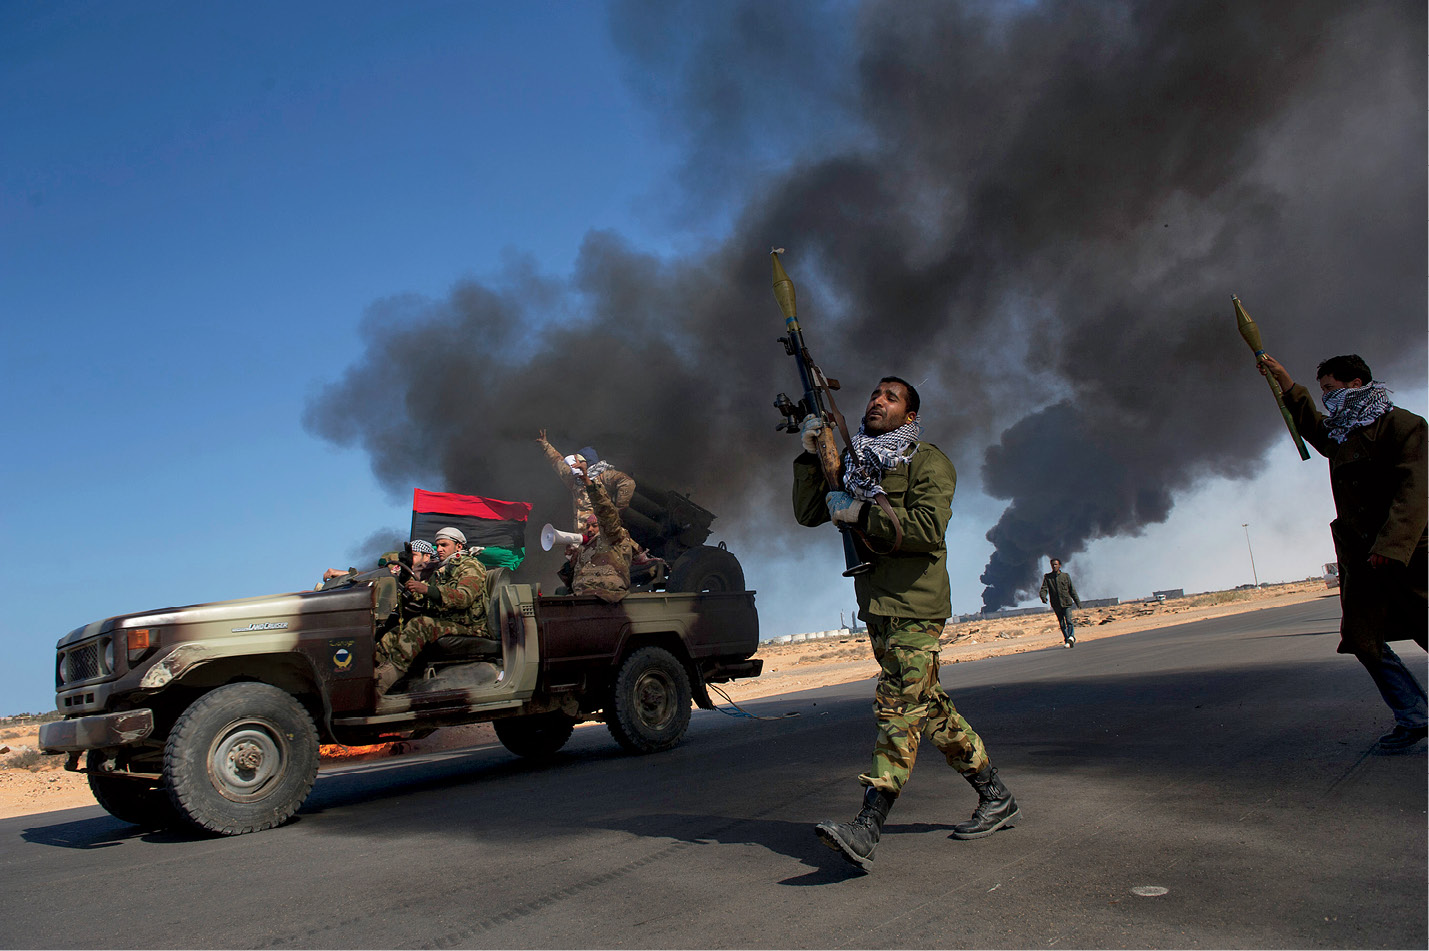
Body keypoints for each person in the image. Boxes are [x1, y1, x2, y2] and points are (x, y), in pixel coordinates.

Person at [793, 376, 1019, 871]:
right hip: (878, 608)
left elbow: (925, 528)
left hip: (916, 606)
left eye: (891, 397)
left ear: (910, 416)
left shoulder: (928, 462)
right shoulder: (856, 464)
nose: (877, 401)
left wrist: (860, 515)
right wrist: (812, 457)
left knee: (896, 706)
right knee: (927, 707)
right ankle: (996, 795)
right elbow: (808, 512)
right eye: (874, 394)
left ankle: (869, 823)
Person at [1260, 353, 1427, 752]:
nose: (1327, 398)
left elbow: (1415, 493)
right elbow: (1314, 428)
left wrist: (1391, 546)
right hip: (1362, 556)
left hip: (1408, 553)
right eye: (1322, 392)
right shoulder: (1343, 432)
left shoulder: (1405, 426)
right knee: (1361, 638)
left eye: (1330, 389)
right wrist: (1284, 380)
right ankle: (1414, 716)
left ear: (1355, 384)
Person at [373, 527, 489, 695]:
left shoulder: (471, 566)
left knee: (420, 625)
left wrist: (427, 590)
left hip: (470, 625)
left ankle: (384, 681)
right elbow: (426, 596)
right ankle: (371, 672)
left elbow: (464, 597)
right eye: (437, 545)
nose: (439, 549)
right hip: (450, 621)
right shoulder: (443, 569)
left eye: (444, 545)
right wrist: (409, 582)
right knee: (396, 632)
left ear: (459, 546)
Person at [536, 430, 636, 532]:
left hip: (601, 531)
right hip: (583, 533)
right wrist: (545, 445)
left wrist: (617, 511)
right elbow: (558, 461)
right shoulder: (575, 479)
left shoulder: (603, 476)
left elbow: (627, 482)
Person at [568, 470, 639, 603]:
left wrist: (588, 482)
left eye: (594, 525)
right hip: (584, 598)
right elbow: (574, 582)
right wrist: (571, 559)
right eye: (588, 526)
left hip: (607, 598)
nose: (590, 529)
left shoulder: (611, 537)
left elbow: (605, 512)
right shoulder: (585, 548)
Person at [1039, 558, 1083, 648]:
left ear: (1060, 565)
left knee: (1069, 621)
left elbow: (1072, 590)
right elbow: (1044, 588)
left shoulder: (1065, 576)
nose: (1054, 566)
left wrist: (1078, 602)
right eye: (1052, 565)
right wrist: (1043, 597)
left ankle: (1071, 637)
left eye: (1056, 564)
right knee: (1062, 623)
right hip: (1056, 604)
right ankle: (1067, 640)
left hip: (1066, 603)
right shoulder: (1048, 577)